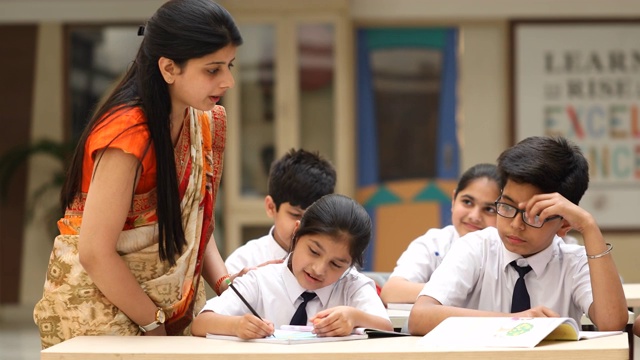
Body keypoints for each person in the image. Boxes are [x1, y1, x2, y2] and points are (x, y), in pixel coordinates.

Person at [33, 0, 242, 348]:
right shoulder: (127, 135)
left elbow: (194, 224)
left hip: (167, 314)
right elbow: (95, 253)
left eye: (230, 66)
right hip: (103, 314)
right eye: (213, 69)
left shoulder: (200, 122)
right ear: (169, 68)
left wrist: (229, 286)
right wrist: (153, 324)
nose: (229, 81)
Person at [408, 136, 628, 335]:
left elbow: (612, 323)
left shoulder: (574, 262)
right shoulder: (476, 247)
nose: (515, 224)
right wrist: (516, 321)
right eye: (507, 206)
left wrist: (589, 226)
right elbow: (420, 318)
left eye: (534, 216)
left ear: (564, 223)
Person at [192, 194, 393, 339]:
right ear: (296, 234)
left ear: (350, 264)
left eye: (336, 264)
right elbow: (201, 322)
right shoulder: (261, 280)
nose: (319, 269)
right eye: (314, 251)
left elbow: (386, 328)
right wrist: (236, 325)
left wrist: (355, 317)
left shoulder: (353, 286)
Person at [380, 163, 500, 304]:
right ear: (454, 199)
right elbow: (391, 292)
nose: (474, 216)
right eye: (467, 202)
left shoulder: (507, 252)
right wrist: (454, 289)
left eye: (489, 209)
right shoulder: (434, 243)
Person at [224, 148, 336, 274]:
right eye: (295, 215)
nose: (303, 226)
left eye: (315, 218)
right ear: (271, 207)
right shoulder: (243, 263)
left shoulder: (335, 264)